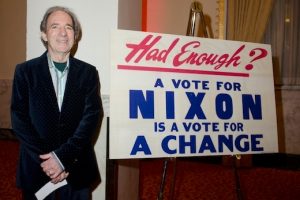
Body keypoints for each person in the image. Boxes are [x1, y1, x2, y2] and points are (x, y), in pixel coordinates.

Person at [11, 6, 103, 200]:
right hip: (38, 168)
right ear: (44, 34)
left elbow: (91, 119)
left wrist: (62, 158)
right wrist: (49, 161)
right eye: (55, 26)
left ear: (75, 35)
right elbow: (19, 120)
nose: (63, 33)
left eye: (69, 27)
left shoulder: (88, 73)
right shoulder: (25, 72)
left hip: (77, 170)